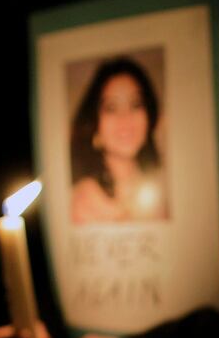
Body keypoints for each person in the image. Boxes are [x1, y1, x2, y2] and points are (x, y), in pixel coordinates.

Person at [70, 57, 168, 224]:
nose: (125, 118)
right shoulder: (83, 201)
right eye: (111, 107)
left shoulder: (161, 192)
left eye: (135, 104)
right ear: (95, 124)